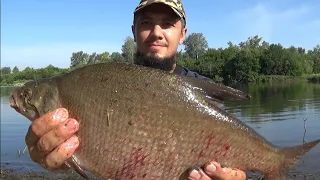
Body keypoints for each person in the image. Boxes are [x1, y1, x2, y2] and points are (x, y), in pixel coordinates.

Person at [24, 0, 247, 180]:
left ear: (183, 35)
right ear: (134, 30)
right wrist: (59, 159)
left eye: (168, 24)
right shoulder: (105, 85)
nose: (156, 32)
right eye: (146, 23)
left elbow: (234, 162)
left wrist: (234, 176)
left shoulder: (200, 94)